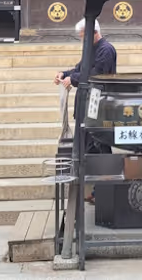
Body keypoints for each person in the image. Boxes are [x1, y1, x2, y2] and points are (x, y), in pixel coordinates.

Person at [55, 19, 117, 203]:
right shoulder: (91, 49)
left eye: (84, 36)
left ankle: (105, 192)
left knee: (99, 147)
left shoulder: (106, 50)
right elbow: (79, 69)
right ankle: (98, 191)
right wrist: (65, 74)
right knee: (90, 148)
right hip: (87, 106)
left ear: (94, 32)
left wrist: (73, 79)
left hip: (98, 107)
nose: (83, 40)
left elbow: (96, 74)